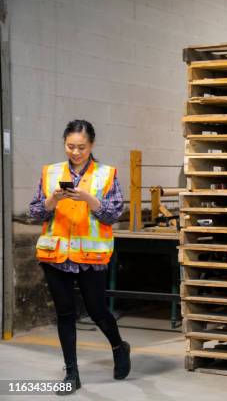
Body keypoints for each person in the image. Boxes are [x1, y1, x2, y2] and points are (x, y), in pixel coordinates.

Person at [29, 120, 131, 395]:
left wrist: (88, 198)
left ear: (92, 145)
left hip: (90, 256)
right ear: (64, 143)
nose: (75, 152)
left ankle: (119, 347)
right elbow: (36, 212)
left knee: (98, 311)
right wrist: (52, 200)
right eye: (70, 146)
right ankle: (71, 373)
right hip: (56, 255)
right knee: (65, 313)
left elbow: (114, 214)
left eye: (81, 147)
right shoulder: (51, 172)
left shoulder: (106, 174)